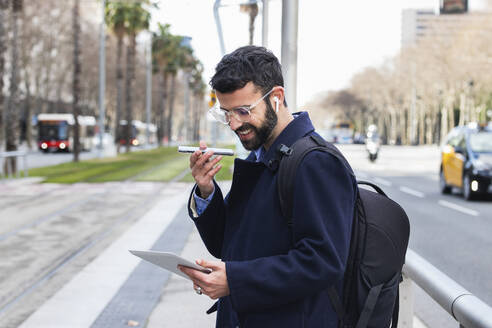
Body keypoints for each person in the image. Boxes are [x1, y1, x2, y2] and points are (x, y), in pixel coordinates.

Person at [178, 46, 356, 328]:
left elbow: (323, 261)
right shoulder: (261, 155)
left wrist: (234, 281)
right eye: (225, 113)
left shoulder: (316, 162)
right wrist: (206, 191)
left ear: (276, 98)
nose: (234, 123)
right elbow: (227, 245)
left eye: (243, 111)